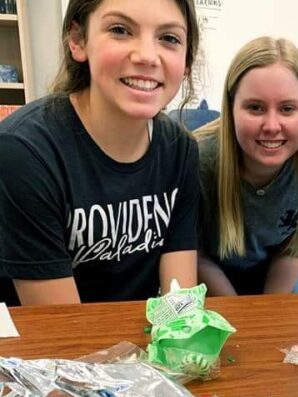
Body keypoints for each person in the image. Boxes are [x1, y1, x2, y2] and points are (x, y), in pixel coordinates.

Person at [0, 0, 201, 305]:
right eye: (120, 30)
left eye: (169, 38)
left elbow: (179, 300)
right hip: (47, 345)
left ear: (186, 62)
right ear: (78, 41)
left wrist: (176, 345)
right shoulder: (25, 151)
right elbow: (63, 328)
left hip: (136, 343)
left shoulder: (180, 150)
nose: (147, 56)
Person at [193, 36, 298, 296]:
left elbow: (292, 254)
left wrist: (263, 314)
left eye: (287, 109)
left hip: (276, 277)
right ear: (231, 109)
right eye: (255, 108)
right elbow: (195, 255)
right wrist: (239, 314)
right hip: (206, 275)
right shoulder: (195, 161)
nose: (272, 126)